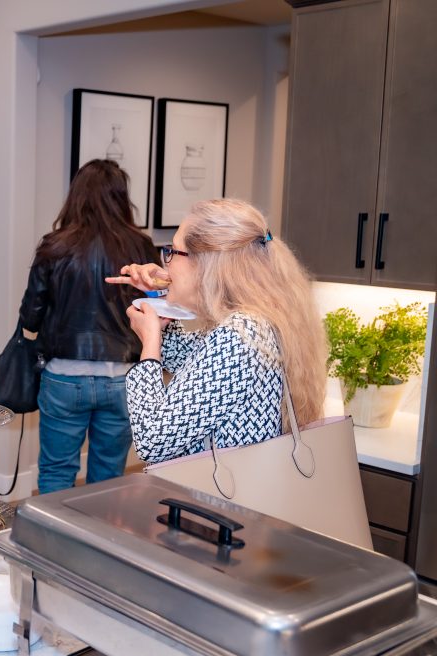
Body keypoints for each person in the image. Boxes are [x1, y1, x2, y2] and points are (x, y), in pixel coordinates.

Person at [106, 198, 328, 462]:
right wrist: (160, 296)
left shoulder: (239, 335)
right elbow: (188, 358)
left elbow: (153, 442)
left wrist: (150, 345)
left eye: (172, 252)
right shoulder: (257, 322)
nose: (165, 263)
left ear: (206, 263)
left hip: (222, 498)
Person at [18, 160, 160, 494]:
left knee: (56, 474)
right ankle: (96, 542)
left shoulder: (55, 246)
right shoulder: (140, 247)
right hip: (123, 378)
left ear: (76, 196)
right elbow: (155, 307)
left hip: (64, 375)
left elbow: (30, 317)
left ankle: (53, 544)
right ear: (121, 197)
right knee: (108, 480)